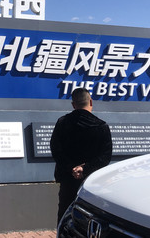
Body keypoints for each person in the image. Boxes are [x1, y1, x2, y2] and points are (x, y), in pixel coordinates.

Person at [50, 88, 112, 224]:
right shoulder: (101, 126)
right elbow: (105, 156)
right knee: (90, 216)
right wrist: (85, 168)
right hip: (91, 180)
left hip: (68, 179)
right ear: (91, 102)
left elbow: (56, 150)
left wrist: (71, 168)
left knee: (65, 214)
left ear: (73, 104)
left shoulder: (62, 122)